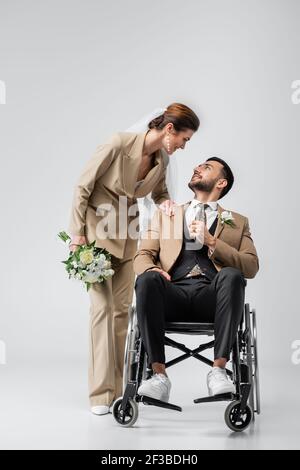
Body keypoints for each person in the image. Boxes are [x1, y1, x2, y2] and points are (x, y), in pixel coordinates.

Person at [68, 103, 200, 414]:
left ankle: (116, 389)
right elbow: (82, 187)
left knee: (121, 314)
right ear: (169, 129)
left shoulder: (161, 159)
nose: (184, 145)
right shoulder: (117, 144)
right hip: (96, 236)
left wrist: (166, 203)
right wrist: (77, 236)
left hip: (128, 238)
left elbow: (159, 193)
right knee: (102, 309)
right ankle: (99, 394)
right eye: (185, 138)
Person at [134, 157, 259, 402]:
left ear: (221, 182)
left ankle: (219, 371)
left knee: (233, 274)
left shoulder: (238, 221)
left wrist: (213, 242)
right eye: (198, 166)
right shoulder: (166, 214)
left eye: (206, 167)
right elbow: (142, 256)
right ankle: (159, 376)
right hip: (172, 294)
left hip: (212, 300)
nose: (196, 168)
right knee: (147, 279)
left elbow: (252, 266)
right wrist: (152, 269)